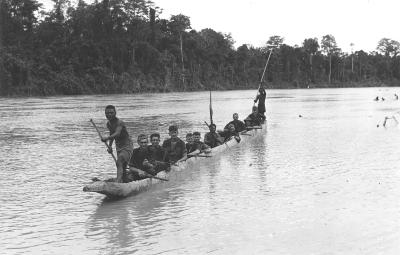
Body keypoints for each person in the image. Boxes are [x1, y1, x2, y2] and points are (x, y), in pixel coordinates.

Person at [101, 105, 133, 183]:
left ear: (115, 113)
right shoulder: (108, 124)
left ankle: (118, 181)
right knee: (122, 166)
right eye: (107, 113)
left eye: (111, 113)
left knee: (119, 161)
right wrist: (110, 146)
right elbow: (112, 133)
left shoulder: (120, 122)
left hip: (127, 145)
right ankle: (124, 181)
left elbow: (117, 133)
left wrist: (106, 138)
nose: (109, 115)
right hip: (118, 146)